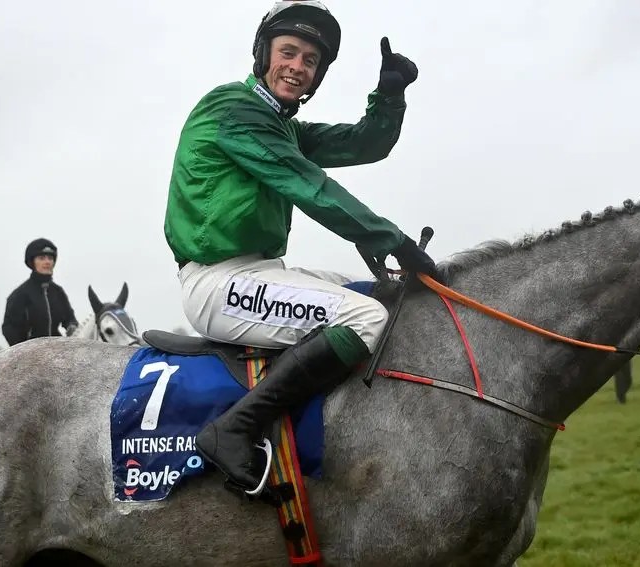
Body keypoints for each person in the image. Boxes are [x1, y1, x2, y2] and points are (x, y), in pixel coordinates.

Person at [163, 0, 441, 490]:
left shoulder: (282, 127)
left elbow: (363, 144)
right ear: (263, 54)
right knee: (366, 318)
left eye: (310, 61)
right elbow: (309, 186)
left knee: (376, 295)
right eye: (288, 52)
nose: (297, 67)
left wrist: (389, 95)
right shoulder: (234, 109)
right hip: (216, 283)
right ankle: (235, 428)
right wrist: (394, 240)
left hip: (261, 272)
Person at [1, 238, 79, 346]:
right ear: (32, 262)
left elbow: (69, 318)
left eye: (50, 258)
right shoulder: (20, 294)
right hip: (30, 351)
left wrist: (72, 326)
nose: (47, 262)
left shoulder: (58, 292)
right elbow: (9, 328)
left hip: (57, 349)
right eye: (42, 258)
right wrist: (24, 349)